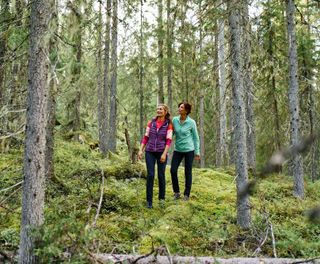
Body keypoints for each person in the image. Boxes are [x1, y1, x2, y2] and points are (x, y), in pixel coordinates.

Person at [138, 104, 173, 209]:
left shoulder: (168, 125)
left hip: (161, 152)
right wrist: (141, 150)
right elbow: (145, 137)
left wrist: (164, 153)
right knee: (151, 175)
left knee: (161, 176)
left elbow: (169, 140)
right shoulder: (151, 123)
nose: (159, 110)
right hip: (150, 151)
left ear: (165, 111)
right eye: (157, 109)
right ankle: (149, 201)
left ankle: (161, 200)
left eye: (161, 109)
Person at [170, 102, 200, 201]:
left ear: (186, 111)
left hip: (189, 150)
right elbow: (171, 134)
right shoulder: (174, 120)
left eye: (181, 107)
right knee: (173, 170)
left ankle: (186, 194)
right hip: (178, 149)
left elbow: (196, 138)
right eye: (179, 106)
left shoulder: (191, 122)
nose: (179, 108)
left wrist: (197, 152)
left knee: (188, 172)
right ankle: (176, 192)